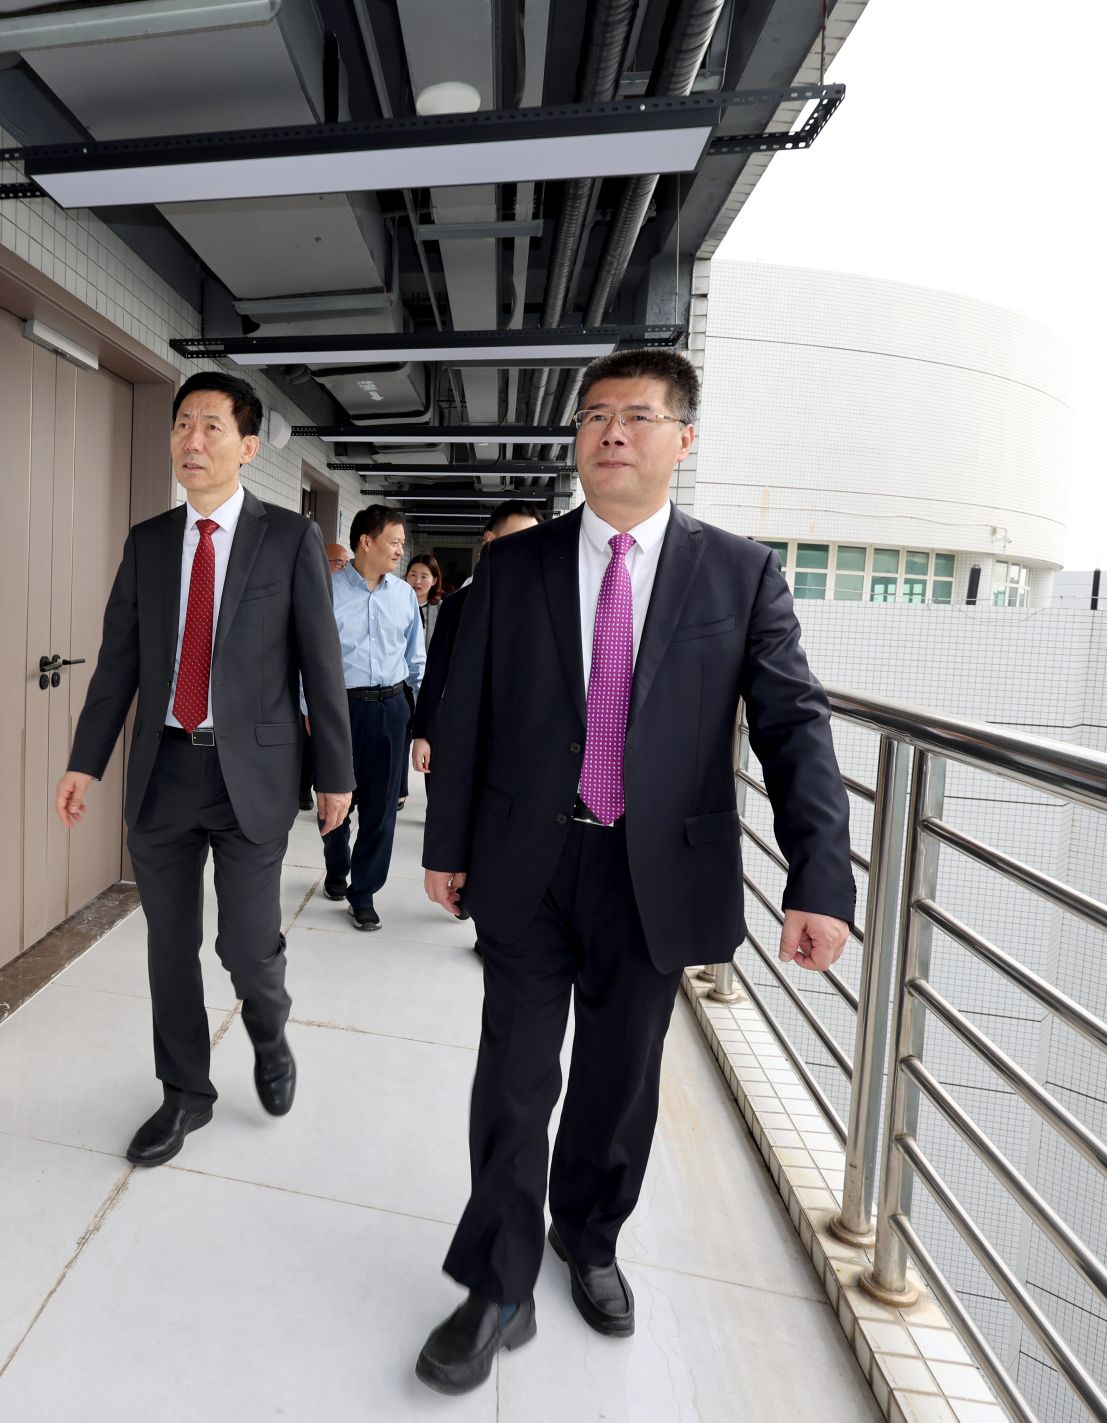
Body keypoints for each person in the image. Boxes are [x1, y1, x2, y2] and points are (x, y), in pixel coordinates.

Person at [413, 350, 854, 1395]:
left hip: (656, 870)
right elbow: (467, 714)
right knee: (513, 1077)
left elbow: (793, 725)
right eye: (595, 415)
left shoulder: (738, 574)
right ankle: (497, 1283)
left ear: (682, 438)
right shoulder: (512, 569)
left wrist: (819, 876)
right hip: (528, 861)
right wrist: (445, 845)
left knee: (620, 1081)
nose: (612, 431)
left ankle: (588, 1236)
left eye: (639, 416)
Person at [56, 372, 354, 1169]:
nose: (192, 440)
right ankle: (186, 1090)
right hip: (163, 772)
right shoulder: (149, 542)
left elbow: (320, 662)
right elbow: (118, 663)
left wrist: (336, 771)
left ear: (248, 447)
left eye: (211, 426)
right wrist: (86, 761)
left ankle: (268, 1026)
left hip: (250, 773)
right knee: (170, 945)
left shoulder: (287, 538)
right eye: (182, 424)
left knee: (247, 946)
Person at [319, 504, 425, 931]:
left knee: (382, 808)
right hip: (340, 709)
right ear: (366, 541)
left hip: (392, 708)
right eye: (394, 542)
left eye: (402, 543)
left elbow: (416, 660)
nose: (400, 551)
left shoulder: (403, 595)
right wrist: (309, 709)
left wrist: (421, 717)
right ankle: (336, 866)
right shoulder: (325, 590)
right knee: (334, 796)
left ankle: (363, 893)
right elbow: (306, 658)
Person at [408, 501, 543, 783]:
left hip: (520, 741)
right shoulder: (456, 606)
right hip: (458, 736)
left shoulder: (543, 606)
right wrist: (423, 734)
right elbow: (436, 672)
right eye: (517, 538)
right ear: (490, 539)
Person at [299, 541, 353, 814]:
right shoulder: (311, 592)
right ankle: (302, 789)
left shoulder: (346, 594)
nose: (343, 567)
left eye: (345, 562)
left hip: (338, 690)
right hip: (305, 690)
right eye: (337, 562)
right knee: (307, 746)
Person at [398, 553, 447, 809]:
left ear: (434, 580)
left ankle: (434, 798)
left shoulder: (442, 609)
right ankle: (399, 789)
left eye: (424, 576)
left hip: (432, 686)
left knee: (429, 739)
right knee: (401, 737)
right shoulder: (397, 603)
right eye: (412, 575)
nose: (417, 581)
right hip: (402, 683)